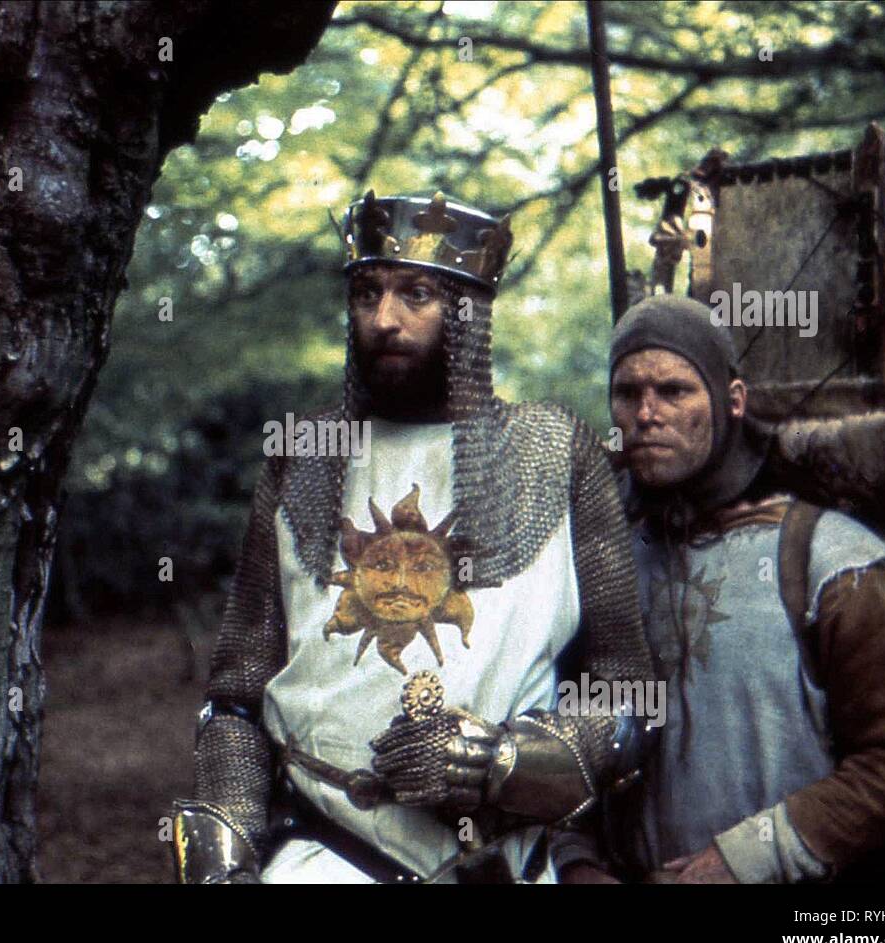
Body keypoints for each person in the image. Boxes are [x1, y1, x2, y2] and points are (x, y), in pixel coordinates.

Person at [170, 191, 655, 883]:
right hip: (322, 854)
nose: (384, 319)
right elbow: (238, 695)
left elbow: (627, 696)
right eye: (366, 293)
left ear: (466, 313)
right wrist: (224, 840)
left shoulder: (553, 453)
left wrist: (501, 762)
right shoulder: (306, 454)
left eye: (416, 295)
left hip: (501, 861)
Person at [555, 294, 885, 884]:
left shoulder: (835, 562)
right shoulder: (601, 565)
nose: (646, 414)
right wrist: (578, 862)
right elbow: (572, 743)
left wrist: (748, 856)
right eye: (628, 393)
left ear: (731, 401)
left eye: (674, 391)